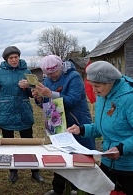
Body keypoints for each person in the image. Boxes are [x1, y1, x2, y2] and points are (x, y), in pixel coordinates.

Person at [66, 61, 133, 195]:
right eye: (91, 85)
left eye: (97, 86)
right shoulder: (102, 96)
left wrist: (121, 149)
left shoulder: (132, 100)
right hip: (108, 162)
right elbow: (102, 127)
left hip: (132, 168)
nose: (93, 90)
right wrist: (81, 129)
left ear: (109, 82)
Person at [31, 55, 95, 195]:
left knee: (79, 156)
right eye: (48, 74)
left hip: (77, 121)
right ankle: (58, 189)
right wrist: (40, 99)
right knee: (60, 156)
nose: (51, 76)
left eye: (53, 72)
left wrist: (51, 94)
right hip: (58, 124)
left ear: (60, 67)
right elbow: (48, 105)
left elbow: (72, 100)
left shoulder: (74, 77)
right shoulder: (47, 79)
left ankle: (77, 188)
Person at [0, 46, 44, 184]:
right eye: (11, 58)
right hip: (6, 112)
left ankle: (34, 171)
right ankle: (13, 171)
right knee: (8, 144)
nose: (14, 60)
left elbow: (33, 92)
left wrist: (30, 88)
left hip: (23, 111)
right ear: (6, 59)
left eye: (16, 57)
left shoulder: (26, 71)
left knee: (29, 143)